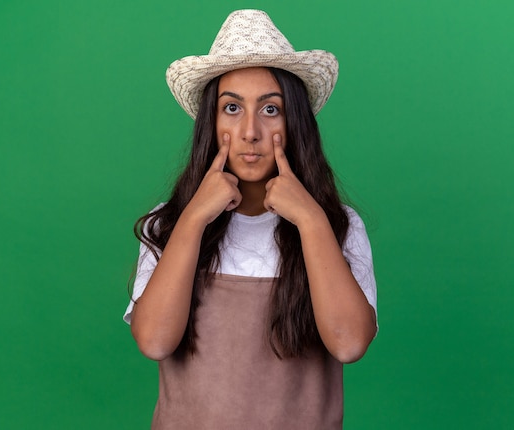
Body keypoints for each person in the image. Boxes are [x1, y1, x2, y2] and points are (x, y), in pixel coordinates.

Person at [123, 9, 378, 429]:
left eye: (271, 110)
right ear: (211, 120)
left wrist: (311, 221)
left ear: (295, 122)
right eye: (232, 108)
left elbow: (350, 344)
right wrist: (193, 219)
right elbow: (153, 341)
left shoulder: (337, 226)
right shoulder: (168, 224)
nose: (250, 132)